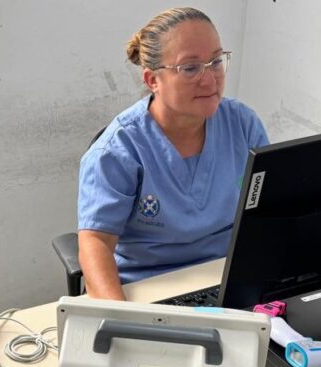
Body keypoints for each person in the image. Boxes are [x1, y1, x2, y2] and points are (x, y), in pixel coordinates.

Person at [78, 7, 269, 300]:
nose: (210, 80)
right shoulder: (118, 151)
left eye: (216, 61)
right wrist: (122, 318)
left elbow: (270, 210)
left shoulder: (242, 125)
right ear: (152, 80)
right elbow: (96, 243)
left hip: (228, 275)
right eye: (190, 68)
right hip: (148, 286)